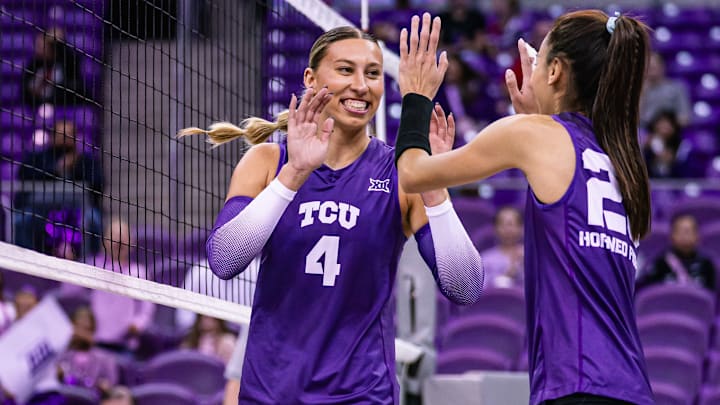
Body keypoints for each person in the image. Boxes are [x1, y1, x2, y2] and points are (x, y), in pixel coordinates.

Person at [179, 26, 483, 403]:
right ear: (311, 79)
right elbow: (224, 260)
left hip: (360, 393)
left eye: (372, 74)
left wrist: (435, 188)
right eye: (345, 70)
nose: (360, 85)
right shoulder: (268, 161)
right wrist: (293, 175)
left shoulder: (401, 174)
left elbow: (465, 287)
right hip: (272, 391)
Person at [395, 12, 653, 405]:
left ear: (554, 72)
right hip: (631, 388)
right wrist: (542, 114)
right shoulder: (622, 162)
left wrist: (414, 94)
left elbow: (412, 173)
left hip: (576, 386)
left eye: (536, 62)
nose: (525, 74)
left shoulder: (535, 136)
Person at [636, 213, 716, 292]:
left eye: (688, 231)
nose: (684, 236)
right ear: (672, 235)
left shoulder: (706, 264)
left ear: (697, 235)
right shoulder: (660, 263)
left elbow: (712, 298)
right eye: (680, 231)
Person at [56, 306, 119, 395]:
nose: (81, 334)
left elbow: (111, 384)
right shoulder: (60, 353)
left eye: (87, 329)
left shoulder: (105, 358)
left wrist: (105, 386)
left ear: (93, 331)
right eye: (78, 328)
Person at [22, 27, 87, 107]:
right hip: (37, 107)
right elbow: (25, 89)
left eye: (41, 46)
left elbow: (74, 88)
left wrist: (59, 41)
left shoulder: (68, 62)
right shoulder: (34, 64)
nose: (37, 50)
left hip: (62, 107)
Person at [640, 52, 691, 128]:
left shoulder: (676, 88)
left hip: (671, 133)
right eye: (647, 67)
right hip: (644, 133)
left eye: (653, 67)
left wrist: (666, 124)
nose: (650, 71)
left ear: (662, 67)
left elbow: (685, 118)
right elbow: (635, 119)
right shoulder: (639, 91)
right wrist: (642, 93)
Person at [481, 206, 524, 289]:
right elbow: (482, 290)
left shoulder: (531, 256)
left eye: (512, 224)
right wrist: (507, 275)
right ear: (495, 228)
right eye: (502, 224)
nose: (508, 229)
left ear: (521, 228)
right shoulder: (486, 259)